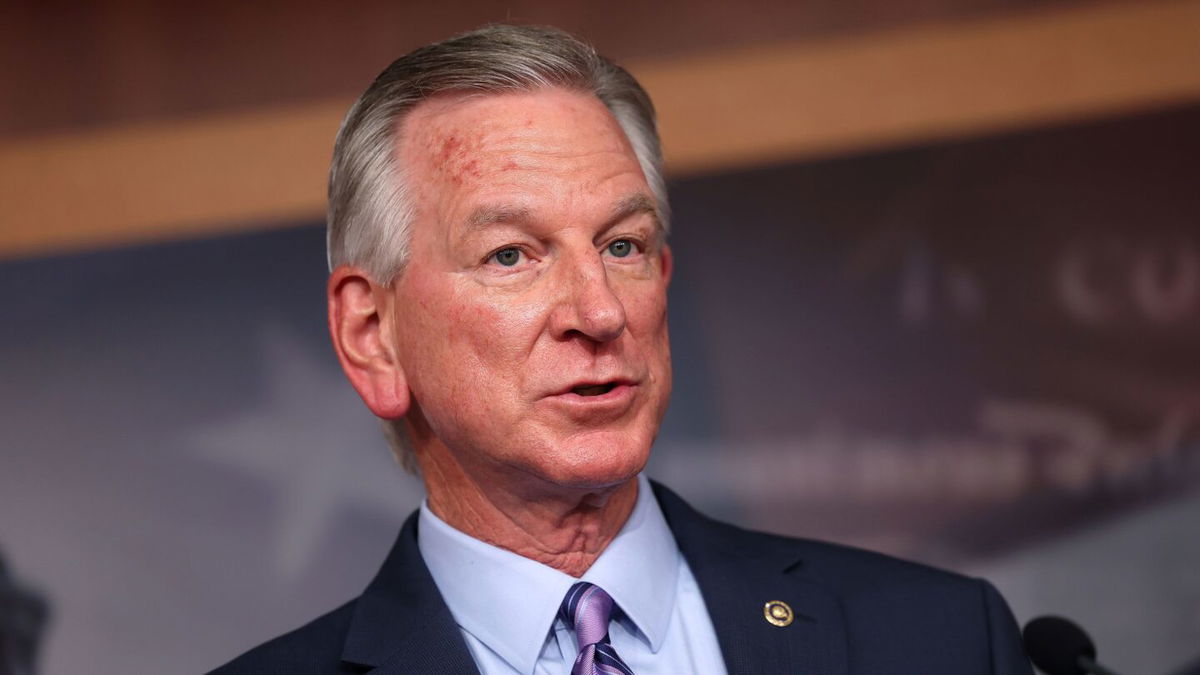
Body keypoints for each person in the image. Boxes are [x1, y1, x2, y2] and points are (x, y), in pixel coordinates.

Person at [213, 24, 1033, 674]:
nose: (599, 311)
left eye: (623, 245)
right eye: (511, 255)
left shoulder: (940, 640)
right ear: (373, 336)